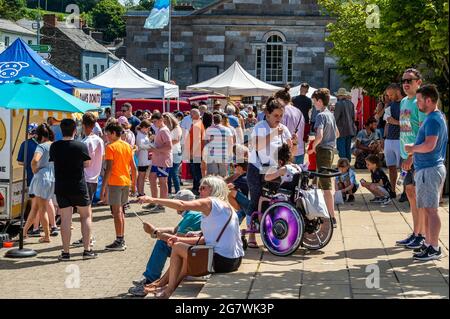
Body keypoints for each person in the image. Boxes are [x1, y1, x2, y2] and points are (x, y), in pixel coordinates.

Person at [138, 176, 244, 299]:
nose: (199, 191)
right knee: (183, 249)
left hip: (222, 261)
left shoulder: (210, 202)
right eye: (199, 188)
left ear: (213, 189)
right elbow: (208, 239)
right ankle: (162, 284)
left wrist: (152, 199)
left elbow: (182, 204)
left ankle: (168, 290)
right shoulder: (226, 207)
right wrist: (182, 238)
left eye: (203, 188)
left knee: (177, 248)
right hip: (234, 261)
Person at [128, 190, 202, 297]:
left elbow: (177, 238)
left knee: (162, 244)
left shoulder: (192, 215)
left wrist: (154, 232)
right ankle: (152, 279)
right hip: (194, 247)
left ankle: (150, 279)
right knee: (163, 242)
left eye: (177, 203)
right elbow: (175, 229)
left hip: (193, 251)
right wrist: (157, 229)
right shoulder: (192, 213)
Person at [405, 85, 447, 261]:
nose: (418, 103)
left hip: (430, 169)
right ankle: (429, 244)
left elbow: (430, 145)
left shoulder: (433, 120)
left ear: (429, 100)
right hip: (428, 169)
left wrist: (411, 149)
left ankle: (434, 247)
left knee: (431, 210)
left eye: (420, 100)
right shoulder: (435, 118)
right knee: (429, 209)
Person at [49, 119, 96, 261]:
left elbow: (53, 161)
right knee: (86, 216)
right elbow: (87, 164)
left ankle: (65, 252)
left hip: (62, 186)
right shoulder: (80, 146)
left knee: (65, 219)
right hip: (78, 186)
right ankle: (87, 250)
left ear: (61, 130)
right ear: (75, 130)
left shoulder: (54, 146)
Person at [247, 97, 292, 228]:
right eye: (276, 115)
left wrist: (292, 143)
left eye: (281, 115)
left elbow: (290, 150)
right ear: (267, 114)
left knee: (272, 201)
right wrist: (273, 134)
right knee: (255, 201)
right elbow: (256, 145)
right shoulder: (260, 127)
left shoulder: (283, 128)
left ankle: (269, 229)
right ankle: (251, 234)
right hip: (257, 169)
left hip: (274, 170)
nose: (279, 118)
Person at [396, 68, 427, 249]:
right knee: (410, 193)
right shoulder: (404, 102)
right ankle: (416, 232)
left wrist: (412, 156)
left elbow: (423, 131)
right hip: (405, 155)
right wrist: (403, 155)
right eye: (404, 80)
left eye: (410, 80)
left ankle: (421, 234)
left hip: (418, 156)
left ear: (418, 82)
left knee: (418, 196)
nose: (406, 83)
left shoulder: (419, 102)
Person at [101, 121, 137, 251]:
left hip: (115, 182)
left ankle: (119, 240)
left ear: (112, 133)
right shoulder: (127, 146)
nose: (106, 136)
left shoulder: (110, 147)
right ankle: (121, 238)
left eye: (107, 134)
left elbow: (109, 169)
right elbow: (134, 167)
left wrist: (103, 188)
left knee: (117, 213)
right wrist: (134, 185)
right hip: (126, 182)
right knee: (120, 212)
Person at [71, 113, 105, 247]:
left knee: (83, 212)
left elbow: (85, 162)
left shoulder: (85, 142)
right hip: (94, 178)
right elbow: (101, 157)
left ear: (84, 125)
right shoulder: (100, 140)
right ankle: (87, 236)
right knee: (88, 210)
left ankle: (87, 237)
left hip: (85, 177)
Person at [308, 88, 339, 227]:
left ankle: (331, 217)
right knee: (323, 183)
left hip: (323, 151)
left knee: (325, 185)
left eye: (314, 102)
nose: (314, 104)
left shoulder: (320, 116)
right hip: (331, 150)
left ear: (320, 101)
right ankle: (327, 213)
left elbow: (319, 136)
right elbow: (337, 133)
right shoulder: (330, 114)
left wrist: (313, 147)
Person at [23, 124, 56, 243]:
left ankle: (47, 236)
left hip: (41, 178)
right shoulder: (54, 145)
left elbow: (35, 161)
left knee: (41, 209)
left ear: (40, 135)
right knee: (36, 207)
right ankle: (24, 232)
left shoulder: (41, 146)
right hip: (52, 178)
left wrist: (34, 169)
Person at [17, 123, 40, 236]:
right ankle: (41, 227)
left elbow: (20, 161)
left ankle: (35, 228)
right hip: (44, 178)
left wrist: (27, 164)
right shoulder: (42, 144)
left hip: (31, 178)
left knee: (34, 204)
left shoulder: (24, 144)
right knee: (42, 204)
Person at [147, 112, 173, 210]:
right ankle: (154, 202)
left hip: (163, 161)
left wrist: (156, 149)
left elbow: (169, 146)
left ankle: (162, 204)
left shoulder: (164, 130)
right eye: (153, 122)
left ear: (161, 120)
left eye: (155, 121)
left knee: (162, 182)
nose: (154, 124)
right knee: (152, 178)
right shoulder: (160, 130)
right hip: (157, 160)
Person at [275, 86, 305, 164]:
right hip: (300, 149)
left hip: (286, 153)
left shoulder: (281, 112)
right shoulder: (299, 112)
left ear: (279, 99)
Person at [384, 83, 403, 191]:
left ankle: (406, 190)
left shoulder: (405, 103)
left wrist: (394, 122)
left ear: (397, 91)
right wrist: (384, 137)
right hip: (389, 139)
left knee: (404, 168)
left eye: (390, 95)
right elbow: (387, 122)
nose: (389, 97)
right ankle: (392, 190)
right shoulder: (390, 105)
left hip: (400, 139)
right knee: (391, 167)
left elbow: (408, 124)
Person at [204, 113, 233, 177]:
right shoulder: (227, 129)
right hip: (223, 154)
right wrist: (230, 154)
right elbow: (230, 143)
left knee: (213, 176)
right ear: (221, 120)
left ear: (213, 120)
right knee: (223, 176)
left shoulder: (208, 130)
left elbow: (206, 143)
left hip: (212, 155)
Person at [184, 109, 205, 195]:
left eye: (191, 115)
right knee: (196, 171)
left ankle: (198, 189)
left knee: (196, 172)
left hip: (196, 152)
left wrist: (192, 152)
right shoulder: (199, 123)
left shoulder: (197, 125)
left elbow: (197, 140)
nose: (191, 117)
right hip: (198, 152)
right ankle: (197, 188)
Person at [334, 88, 356, 161]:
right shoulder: (351, 103)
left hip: (341, 130)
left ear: (339, 96)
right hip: (350, 129)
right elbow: (353, 117)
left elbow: (335, 118)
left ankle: (343, 164)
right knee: (347, 148)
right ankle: (347, 164)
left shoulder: (338, 104)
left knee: (341, 148)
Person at [163, 113, 183, 196]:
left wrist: (165, 144)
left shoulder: (177, 128)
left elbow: (177, 140)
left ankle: (178, 192)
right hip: (169, 152)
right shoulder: (167, 128)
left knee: (174, 173)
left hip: (175, 153)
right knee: (169, 174)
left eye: (165, 120)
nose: (164, 122)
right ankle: (169, 192)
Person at [135, 120, 152, 197]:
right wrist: (151, 144)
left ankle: (141, 191)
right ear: (144, 127)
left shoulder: (144, 134)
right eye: (148, 128)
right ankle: (140, 192)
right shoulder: (139, 134)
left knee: (143, 176)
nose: (149, 130)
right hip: (142, 159)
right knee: (141, 176)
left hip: (145, 158)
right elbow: (141, 146)